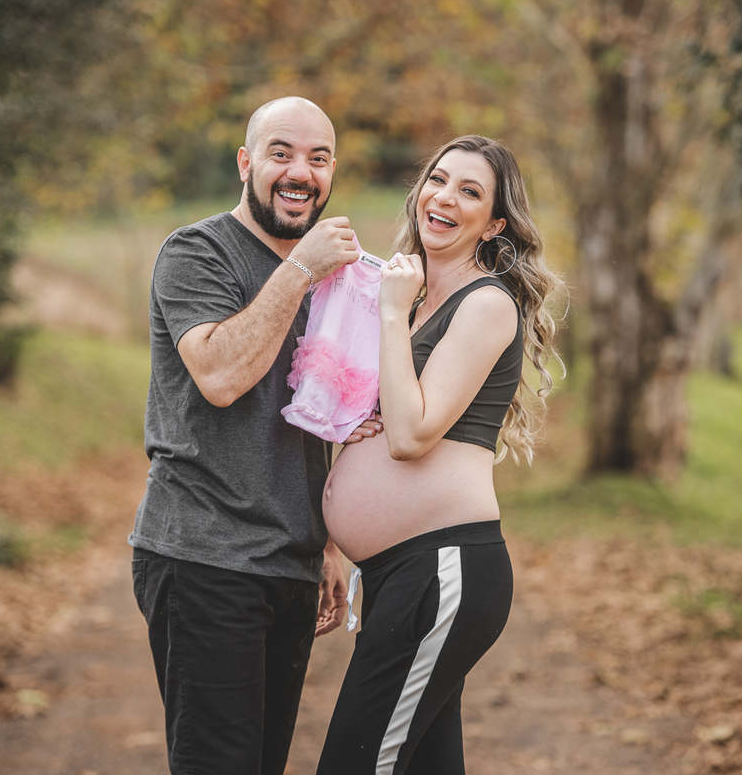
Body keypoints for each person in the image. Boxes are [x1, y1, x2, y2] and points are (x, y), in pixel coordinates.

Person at [128, 96, 381, 775]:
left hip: (288, 565)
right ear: (246, 163)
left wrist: (325, 541)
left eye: (319, 158)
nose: (301, 172)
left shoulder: (335, 283)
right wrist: (300, 271)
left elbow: (327, 413)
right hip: (204, 558)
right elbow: (219, 373)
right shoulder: (195, 251)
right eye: (282, 153)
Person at [316, 135, 563, 775]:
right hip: (404, 573)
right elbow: (370, 417)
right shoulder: (415, 297)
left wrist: (393, 315)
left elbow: (411, 434)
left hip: (444, 569)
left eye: (470, 192)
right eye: (438, 179)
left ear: (494, 225)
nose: (444, 198)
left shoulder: (485, 304)